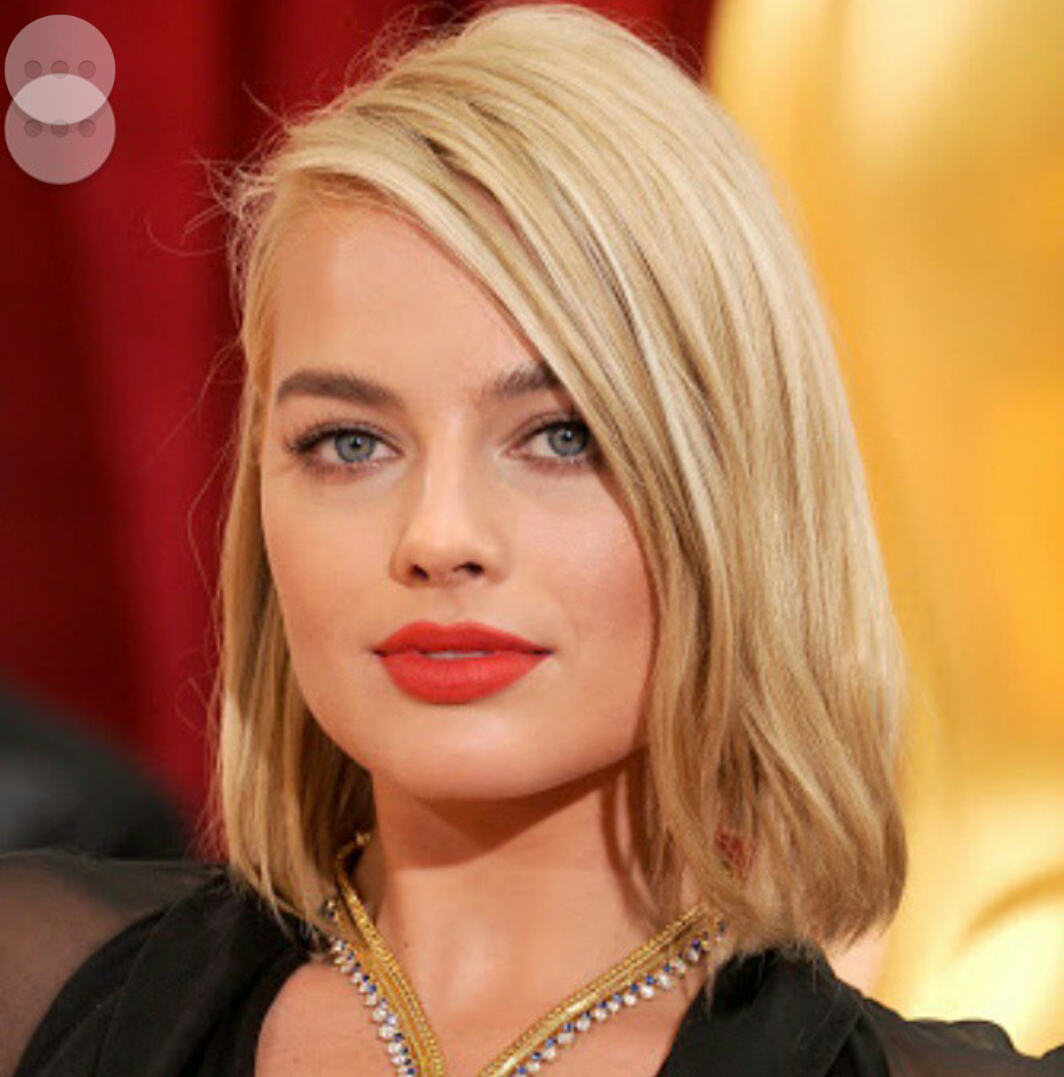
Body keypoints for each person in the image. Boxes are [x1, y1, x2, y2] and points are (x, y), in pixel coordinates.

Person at [0, 5, 1059, 1075]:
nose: (438, 537)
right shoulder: (35, 992)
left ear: (736, 485)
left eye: (561, 436)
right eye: (350, 443)